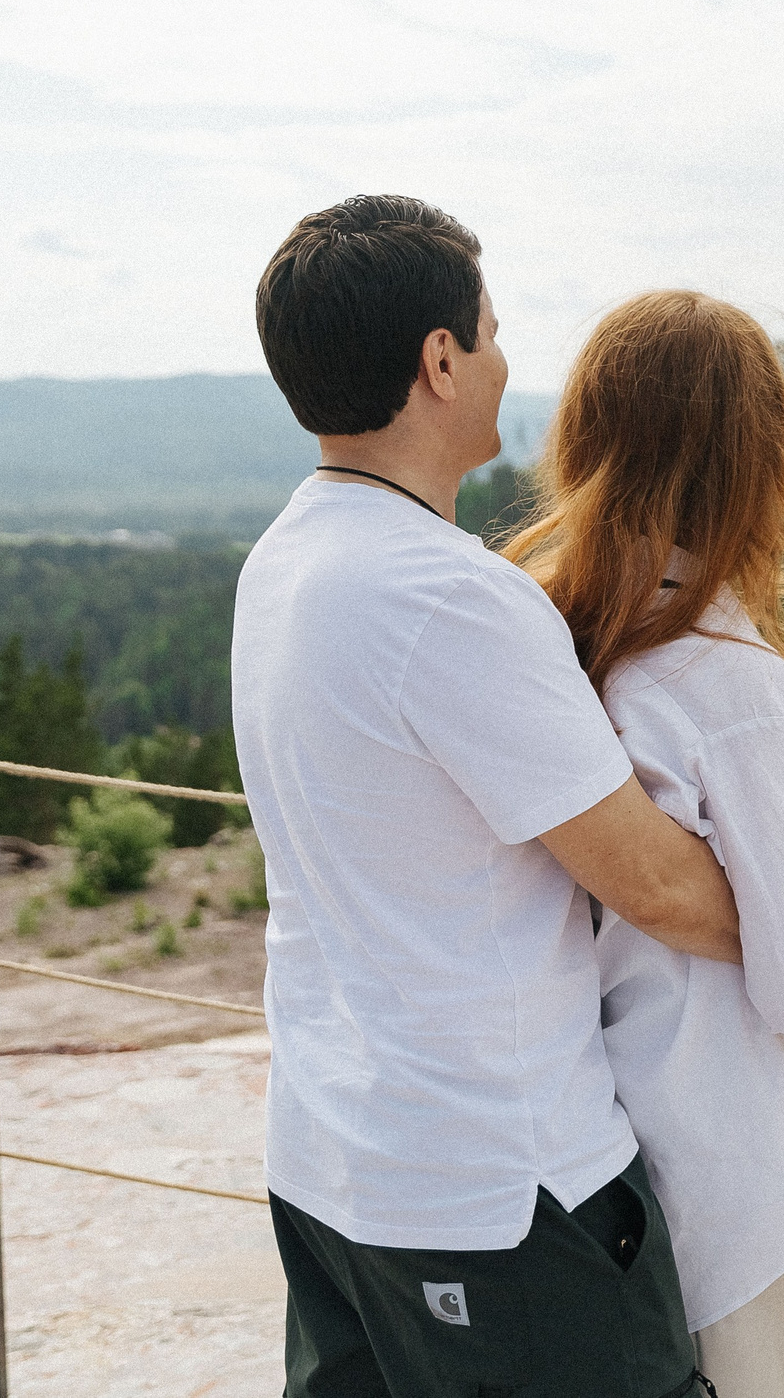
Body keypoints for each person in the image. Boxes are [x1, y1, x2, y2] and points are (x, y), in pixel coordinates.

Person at [232, 196, 739, 1398]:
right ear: (441, 360)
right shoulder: (446, 597)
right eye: (495, 332)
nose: (510, 363)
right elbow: (652, 881)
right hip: (497, 1189)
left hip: (330, 1162)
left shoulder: (285, 560)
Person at [504, 290, 784, 1398]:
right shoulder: (740, 690)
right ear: (763, 461)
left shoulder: (534, 642)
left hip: (568, 1160)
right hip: (725, 1173)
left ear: (581, 442)